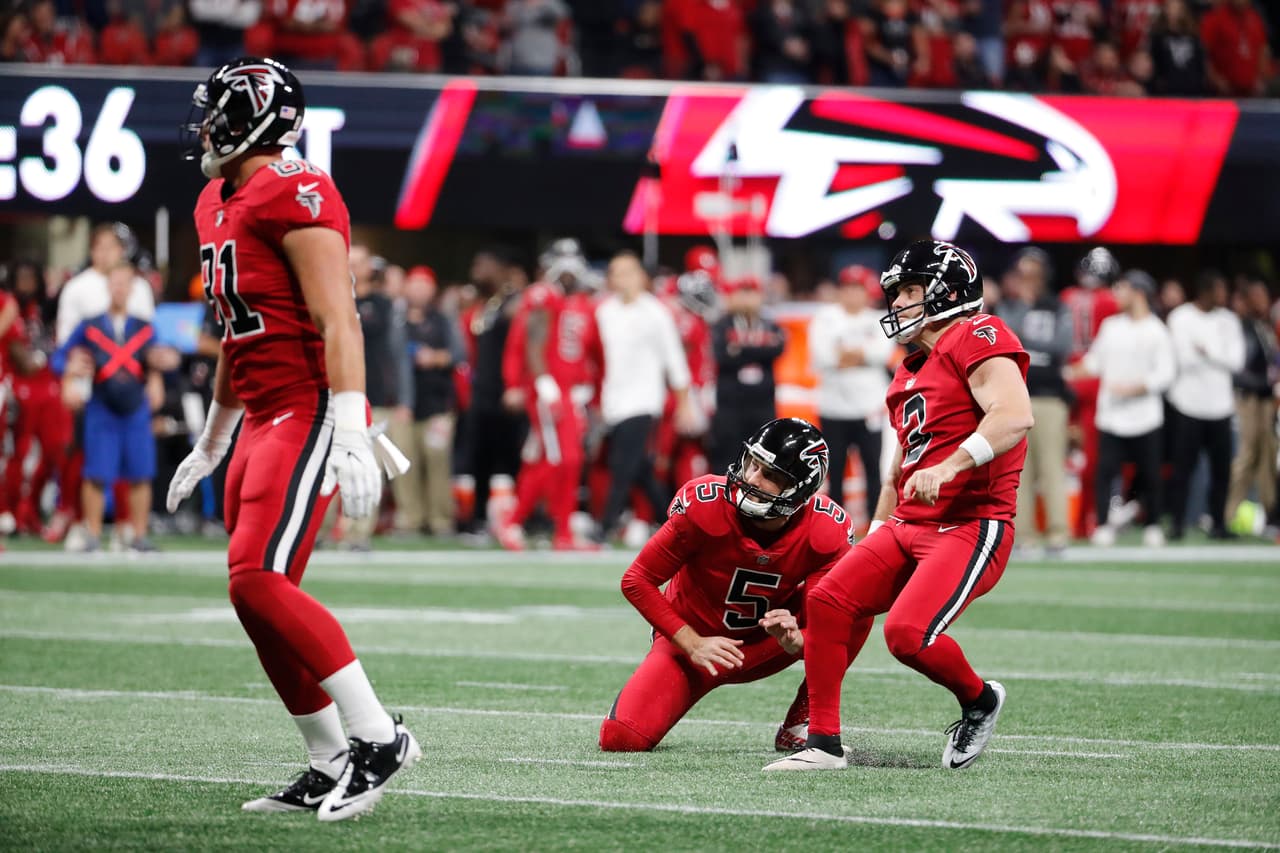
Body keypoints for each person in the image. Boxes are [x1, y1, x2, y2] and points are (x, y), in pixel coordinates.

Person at [165, 57, 419, 822]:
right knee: (257, 598)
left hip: (308, 410)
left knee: (256, 580)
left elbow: (339, 316)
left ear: (252, 120)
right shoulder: (218, 196)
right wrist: (213, 436)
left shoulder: (295, 189)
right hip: (260, 414)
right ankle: (326, 757)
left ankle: (377, 737)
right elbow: (236, 336)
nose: (205, 125)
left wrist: (349, 417)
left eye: (217, 111)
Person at [764, 239, 1032, 773]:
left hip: (969, 524)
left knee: (907, 635)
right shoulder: (910, 368)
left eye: (911, 289)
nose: (900, 302)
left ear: (948, 289)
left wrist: (951, 466)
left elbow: (1014, 414)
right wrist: (880, 531)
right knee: (829, 598)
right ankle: (822, 744)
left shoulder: (979, 333)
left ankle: (980, 700)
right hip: (909, 521)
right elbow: (900, 468)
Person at [601, 417, 870, 753]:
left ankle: (804, 719)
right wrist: (691, 642)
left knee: (855, 605)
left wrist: (796, 640)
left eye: (770, 475)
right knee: (621, 738)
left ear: (799, 490)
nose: (751, 479)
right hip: (691, 646)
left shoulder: (824, 531)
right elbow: (637, 579)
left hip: (763, 645)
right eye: (752, 464)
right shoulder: (706, 504)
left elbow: (823, 628)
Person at [495, 238, 601, 551]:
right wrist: (538, 382)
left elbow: (588, 349)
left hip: (571, 392)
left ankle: (561, 532)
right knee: (561, 459)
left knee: (559, 460)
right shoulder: (543, 295)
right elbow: (529, 341)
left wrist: (588, 386)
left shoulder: (581, 301)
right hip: (549, 391)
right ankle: (516, 522)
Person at [53, 261, 163, 552]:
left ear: (132, 288)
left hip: (135, 406)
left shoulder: (144, 327)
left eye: (125, 283)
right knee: (96, 472)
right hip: (101, 405)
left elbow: (158, 361)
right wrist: (68, 375)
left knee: (141, 472)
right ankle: (93, 533)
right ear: (107, 286)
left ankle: (138, 535)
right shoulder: (90, 325)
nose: (119, 289)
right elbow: (60, 357)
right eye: (115, 283)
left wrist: (157, 378)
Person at [1068, 270, 1176, 547]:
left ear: (1138, 293)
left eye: (1123, 289)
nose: (1117, 295)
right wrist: (1066, 372)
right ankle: (1103, 525)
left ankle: (1152, 525)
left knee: (1150, 474)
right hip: (1112, 418)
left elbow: (1165, 373)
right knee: (1105, 472)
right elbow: (1094, 363)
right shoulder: (1111, 327)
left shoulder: (1157, 330)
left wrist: (1136, 387)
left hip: (1145, 418)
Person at [595, 250, 696, 540]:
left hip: (642, 400)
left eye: (627, 272)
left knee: (622, 465)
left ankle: (605, 526)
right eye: (616, 273)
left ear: (641, 276)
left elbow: (674, 359)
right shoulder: (604, 311)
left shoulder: (655, 312)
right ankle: (677, 522)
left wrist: (684, 402)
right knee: (639, 467)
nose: (621, 279)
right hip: (612, 400)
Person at [995, 248, 1074, 553]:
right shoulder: (1008, 307)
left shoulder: (1057, 307)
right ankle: (1022, 534)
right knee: (1018, 471)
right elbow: (1003, 340)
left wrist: (1027, 337)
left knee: (1053, 467)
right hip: (1015, 397)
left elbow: (1063, 346)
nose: (1027, 281)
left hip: (1050, 396)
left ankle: (1058, 533)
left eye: (1033, 274)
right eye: (1023, 274)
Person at [807, 264, 894, 528]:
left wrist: (844, 355)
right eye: (848, 288)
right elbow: (821, 356)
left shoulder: (878, 319)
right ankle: (834, 529)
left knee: (873, 472)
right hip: (833, 408)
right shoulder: (825, 318)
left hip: (868, 409)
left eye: (858, 288)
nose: (853, 294)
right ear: (840, 291)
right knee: (833, 473)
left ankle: (876, 529)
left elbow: (882, 353)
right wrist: (860, 355)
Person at [1165, 270, 1244, 540]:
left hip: (1221, 407)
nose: (1225, 296)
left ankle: (1218, 523)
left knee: (1222, 471)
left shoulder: (1229, 320)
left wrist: (1207, 351)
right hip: (1188, 405)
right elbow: (1183, 359)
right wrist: (1215, 355)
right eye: (1221, 290)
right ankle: (1177, 522)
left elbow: (1236, 361)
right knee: (1182, 469)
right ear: (1206, 291)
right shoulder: (1181, 317)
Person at [1226, 278, 1279, 527]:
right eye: (1256, 296)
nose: (1261, 300)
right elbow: (1238, 370)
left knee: (1267, 456)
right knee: (1246, 456)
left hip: (1266, 400)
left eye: (1263, 295)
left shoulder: (1264, 326)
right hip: (1250, 400)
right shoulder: (1241, 327)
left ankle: (1270, 514)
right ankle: (1228, 512)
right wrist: (1265, 384)